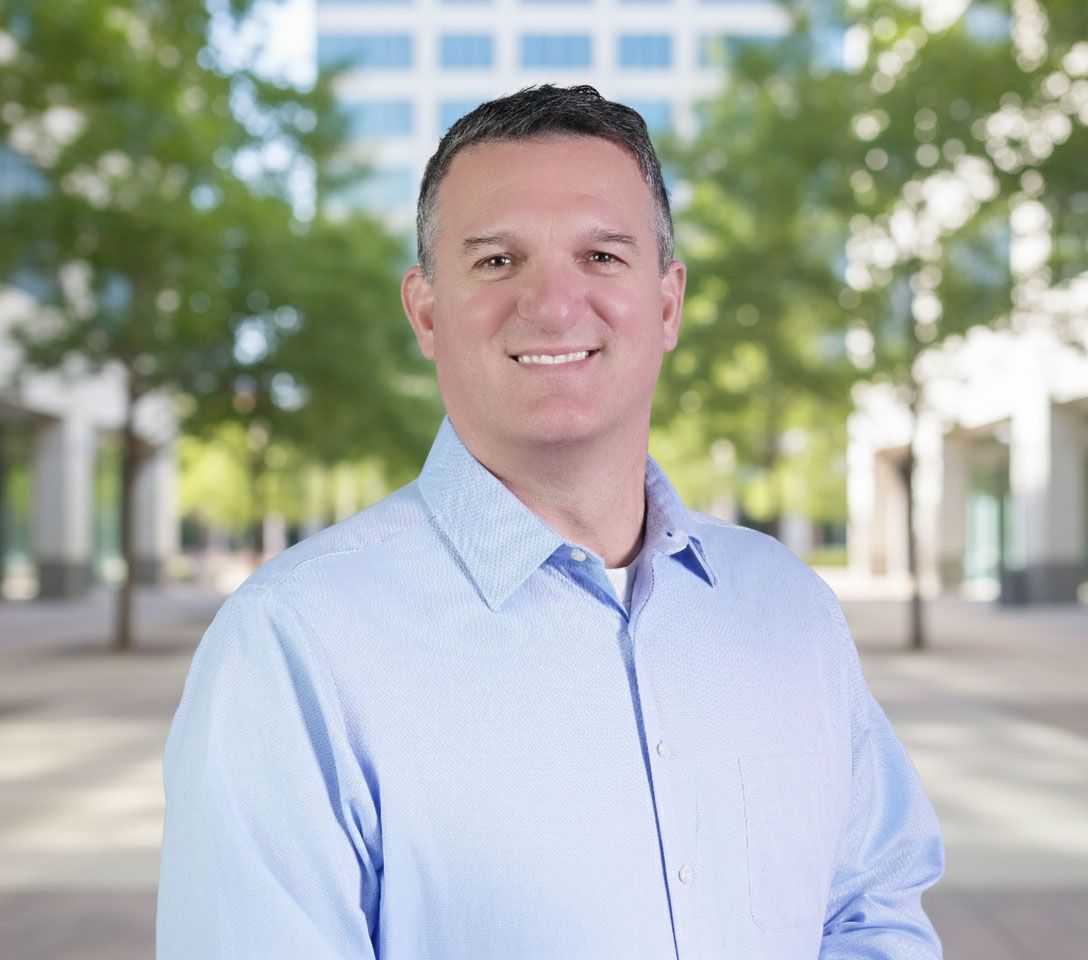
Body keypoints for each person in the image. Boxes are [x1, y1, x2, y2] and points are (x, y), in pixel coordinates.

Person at [157, 84, 943, 959]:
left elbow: (873, 913)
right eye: (498, 261)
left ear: (668, 303)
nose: (555, 304)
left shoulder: (790, 610)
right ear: (425, 311)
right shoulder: (292, 645)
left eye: (602, 256)